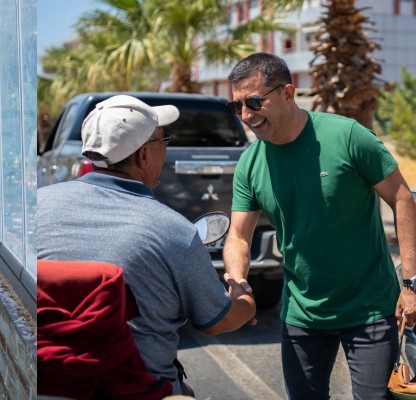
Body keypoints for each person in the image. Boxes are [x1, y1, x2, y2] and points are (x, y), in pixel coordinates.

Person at [223, 52, 416, 400]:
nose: (247, 116)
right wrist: (238, 282)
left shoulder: (347, 136)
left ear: (287, 93)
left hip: (369, 308)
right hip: (301, 313)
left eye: (254, 102)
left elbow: (402, 198)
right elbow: (238, 236)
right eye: (237, 107)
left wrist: (411, 283)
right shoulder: (250, 163)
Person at [36, 94, 257, 396]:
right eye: (164, 139)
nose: (166, 149)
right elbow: (217, 321)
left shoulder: (37, 205)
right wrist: (245, 301)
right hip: (142, 389)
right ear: (142, 156)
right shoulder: (173, 230)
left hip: (49, 381)